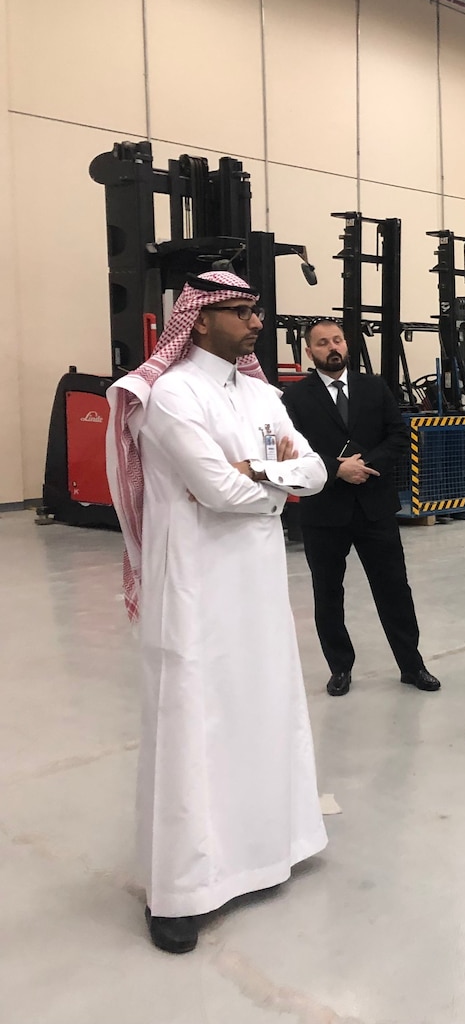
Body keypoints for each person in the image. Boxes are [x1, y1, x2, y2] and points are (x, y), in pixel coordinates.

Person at [104, 271, 329, 954]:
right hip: (196, 585)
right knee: (194, 722)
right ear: (199, 321)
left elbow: (313, 472)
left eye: (257, 310)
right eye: (242, 311)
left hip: (257, 581)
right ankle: (183, 892)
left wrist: (263, 477)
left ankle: (267, 852)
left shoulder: (263, 393)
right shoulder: (170, 396)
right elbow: (216, 488)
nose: (256, 322)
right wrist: (270, 481)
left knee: (261, 707)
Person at [281, 320, 440, 697]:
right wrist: (338, 469)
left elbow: (398, 435)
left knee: (394, 589)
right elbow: (293, 449)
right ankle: (340, 668)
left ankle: (412, 664)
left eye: (337, 339)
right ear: (309, 352)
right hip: (324, 512)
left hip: (375, 507)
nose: (331, 347)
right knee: (328, 592)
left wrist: (365, 466)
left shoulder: (374, 387)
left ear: (346, 344)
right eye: (322, 343)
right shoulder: (295, 398)